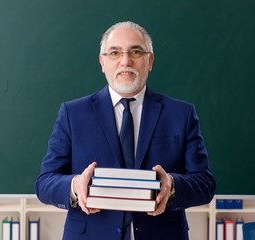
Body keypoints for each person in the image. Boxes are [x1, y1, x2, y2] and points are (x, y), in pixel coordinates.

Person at [35, 21, 216, 240]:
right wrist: (74, 186)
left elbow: (205, 184)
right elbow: (45, 183)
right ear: (102, 62)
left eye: (136, 52)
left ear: (150, 61)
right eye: (114, 53)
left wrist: (172, 184)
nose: (125, 61)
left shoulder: (181, 114)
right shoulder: (73, 113)